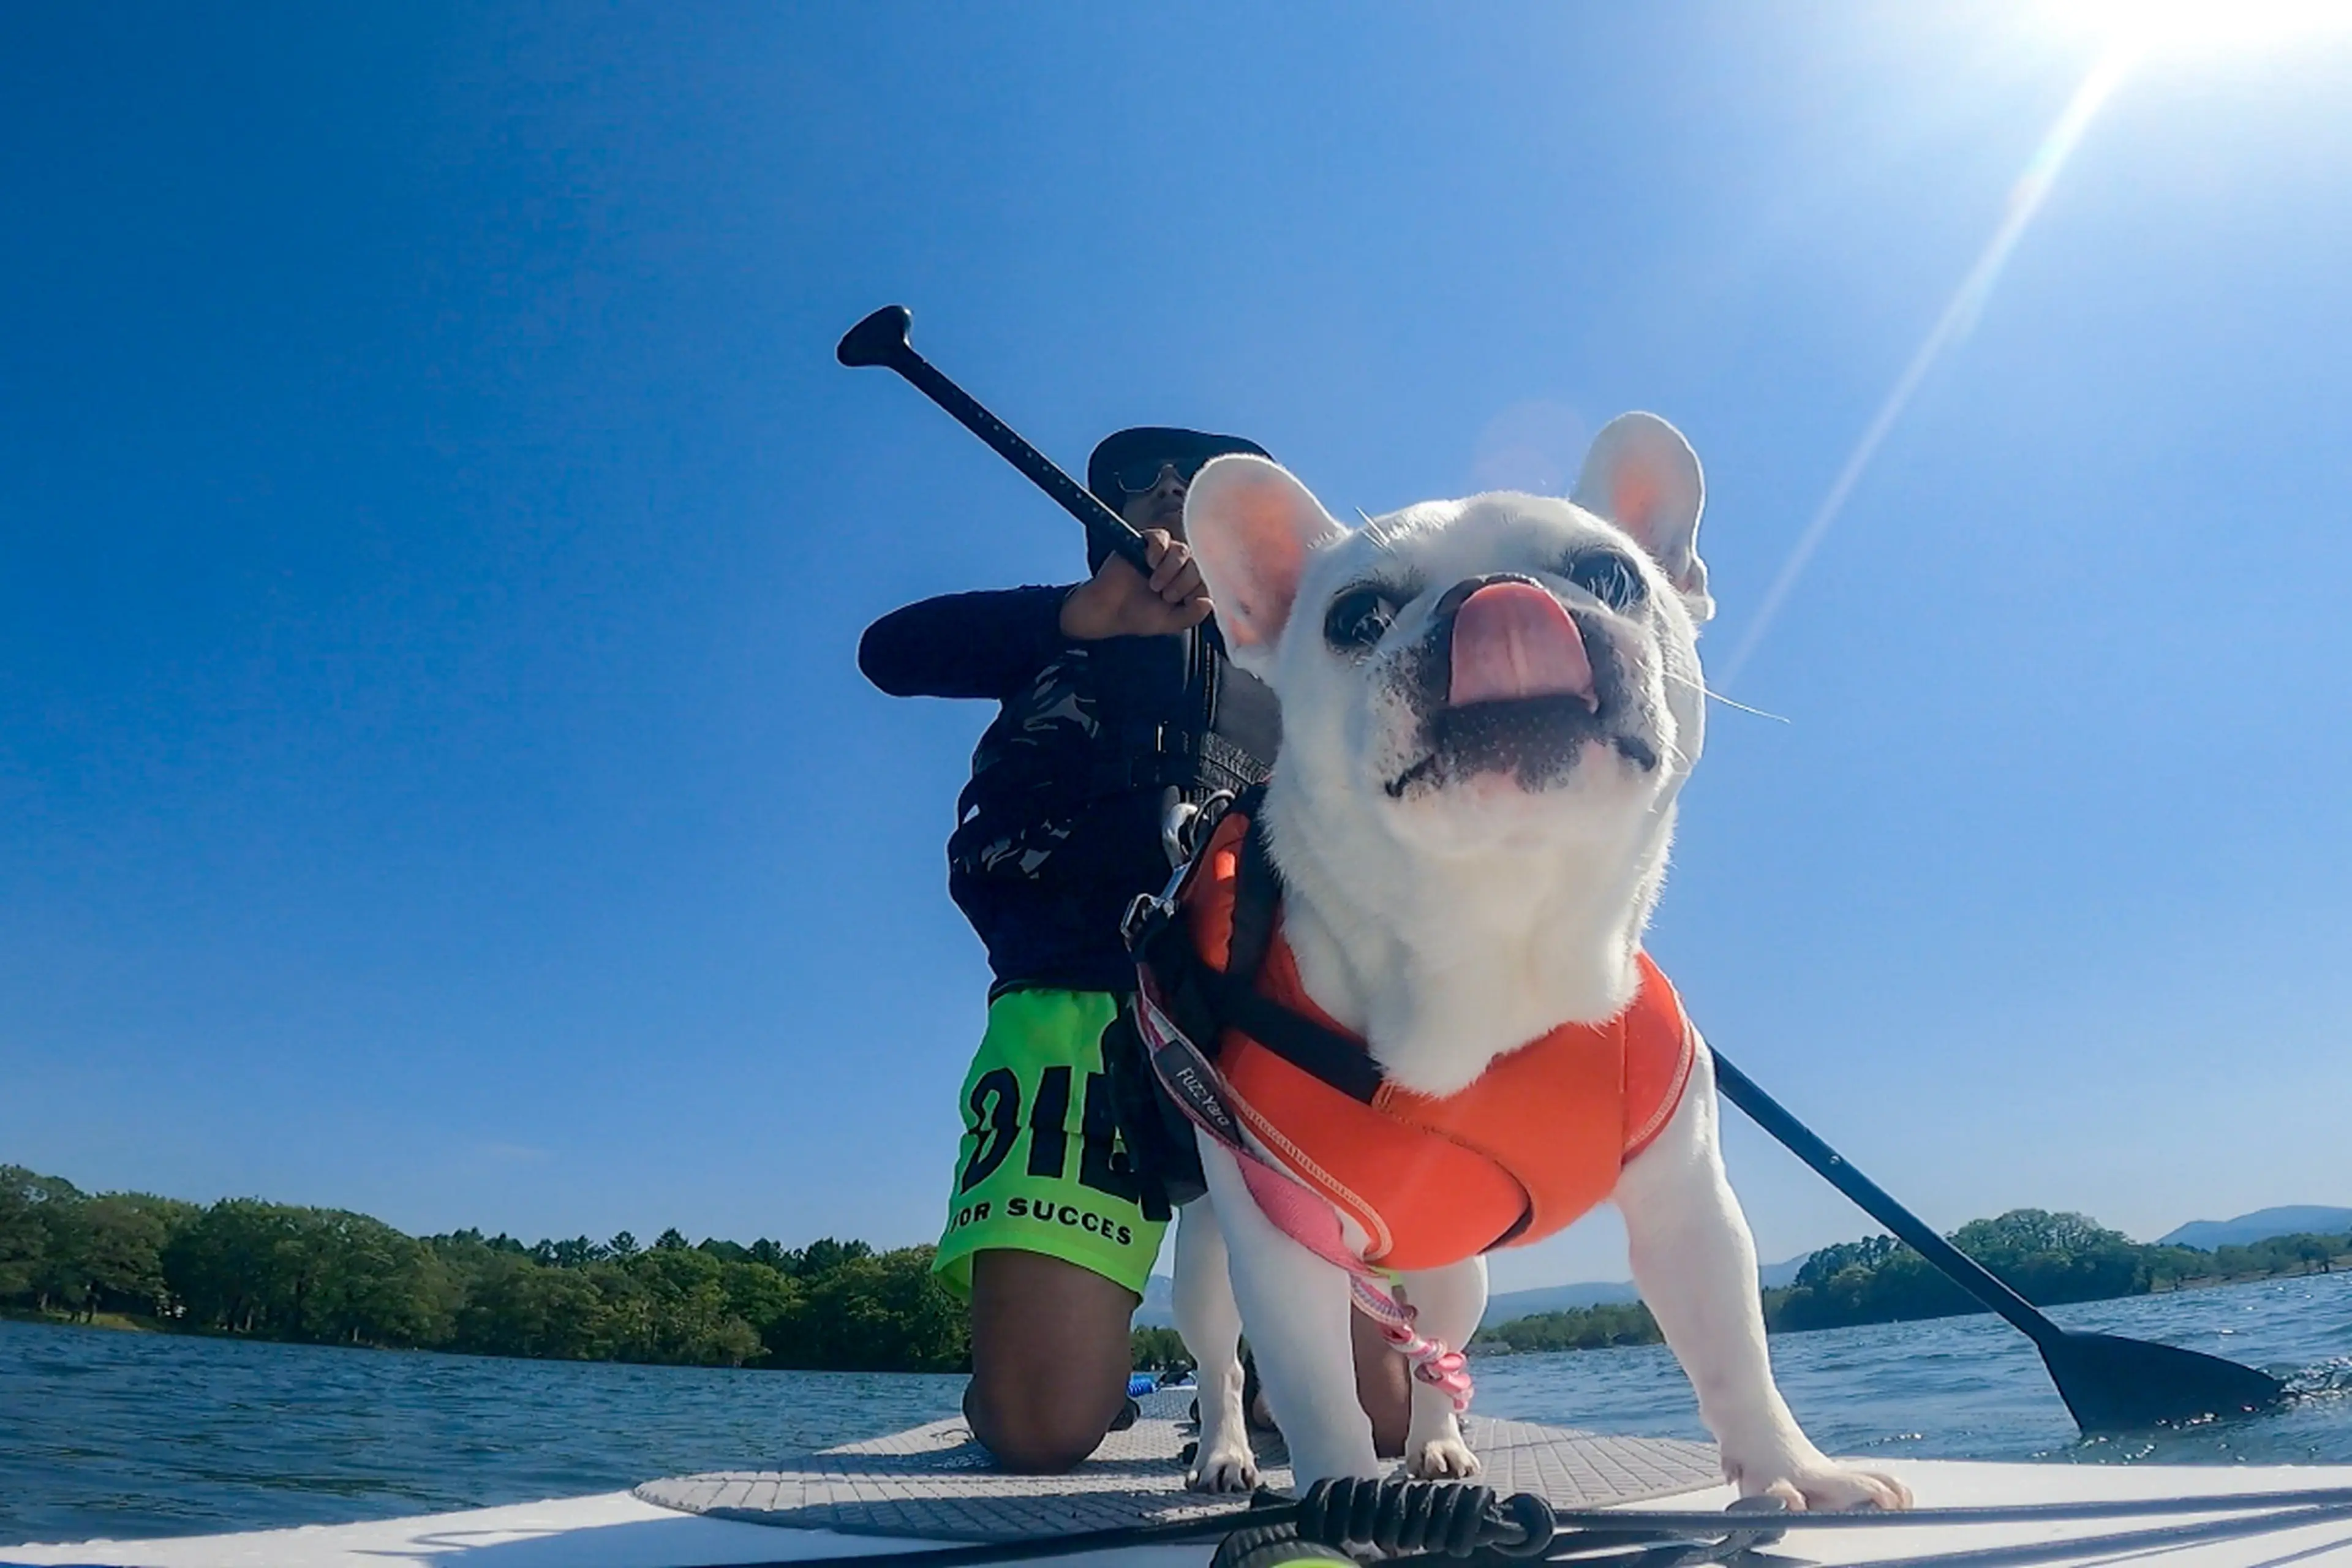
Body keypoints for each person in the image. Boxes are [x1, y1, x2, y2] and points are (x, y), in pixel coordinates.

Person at [859, 427, 1411, 1472]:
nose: (1166, 486)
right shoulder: (1056, 627)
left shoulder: (1308, 662)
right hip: (1074, 1007)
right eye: (1138, 478)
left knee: (1383, 1420)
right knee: (1040, 1429)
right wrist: (1081, 615)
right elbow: (889, 652)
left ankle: (1268, 1378)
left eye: (1196, 479)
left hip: (1268, 1032)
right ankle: (1061, 1366)